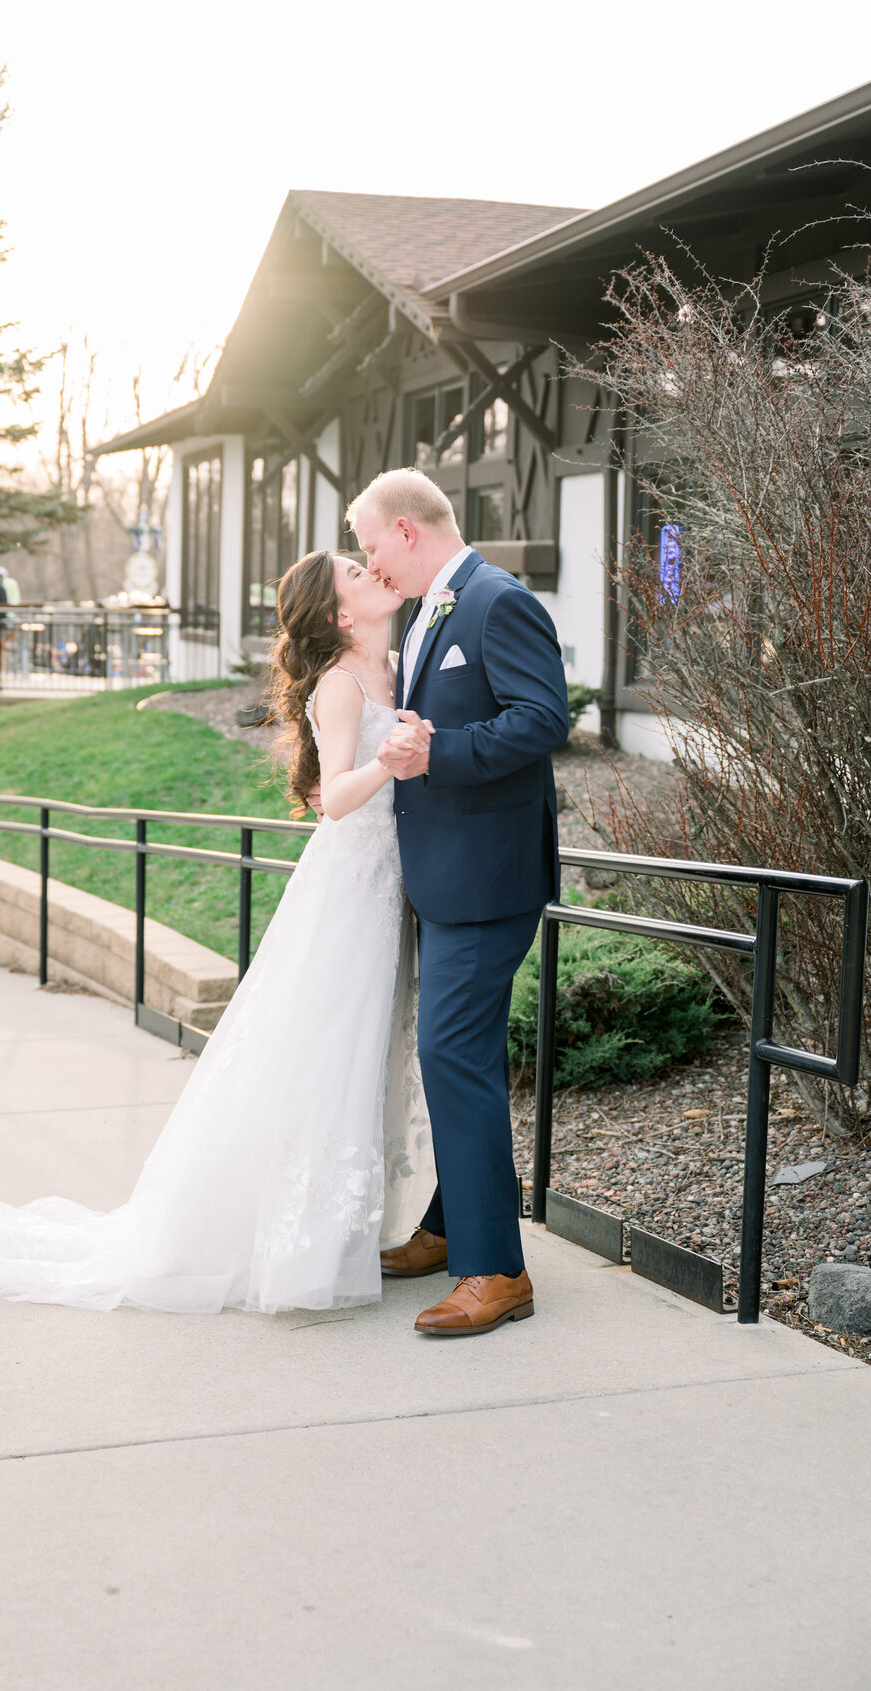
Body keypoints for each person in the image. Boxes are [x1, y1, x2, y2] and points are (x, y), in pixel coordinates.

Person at [0, 549, 435, 1313]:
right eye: (356, 574)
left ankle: (353, 1225)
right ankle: (302, 1242)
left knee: (359, 1049)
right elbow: (334, 795)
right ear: (339, 615)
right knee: (329, 1045)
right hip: (350, 886)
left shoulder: (402, 662)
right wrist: (393, 762)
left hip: (387, 883)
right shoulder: (339, 685)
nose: (373, 572)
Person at [347, 468, 568, 1337]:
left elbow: (542, 718)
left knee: (452, 1054)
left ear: (406, 530)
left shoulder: (495, 600)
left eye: (370, 545)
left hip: (489, 879)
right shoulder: (440, 601)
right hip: (447, 873)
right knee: (450, 1056)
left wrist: (435, 753)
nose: (369, 564)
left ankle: (495, 1270)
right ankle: (447, 1231)